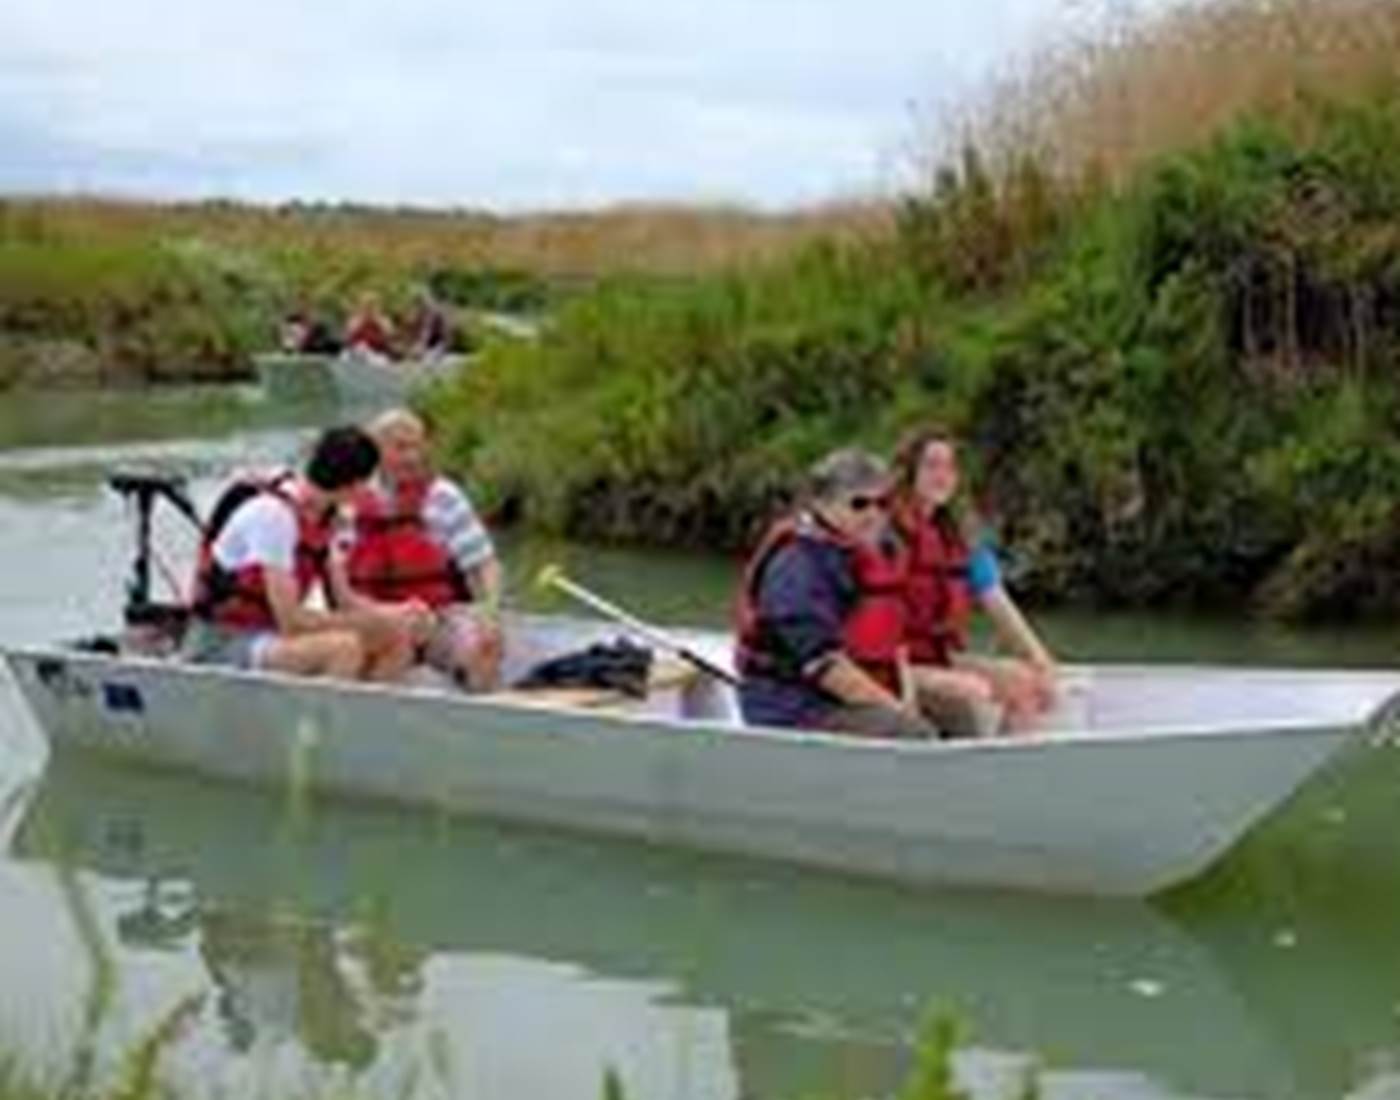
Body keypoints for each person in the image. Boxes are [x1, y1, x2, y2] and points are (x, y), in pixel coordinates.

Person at [182, 425, 431, 680]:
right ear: (354, 485)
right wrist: (367, 624)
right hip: (224, 641)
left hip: (272, 636)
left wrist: (400, 614)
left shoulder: (325, 518)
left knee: (396, 639)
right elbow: (290, 621)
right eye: (369, 482)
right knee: (343, 648)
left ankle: (363, 716)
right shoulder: (273, 516)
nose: (370, 491)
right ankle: (325, 719)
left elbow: (346, 601)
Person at [734, 448, 939, 740]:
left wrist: (908, 699)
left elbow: (895, 644)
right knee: (913, 733)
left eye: (882, 504)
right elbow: (825, 668)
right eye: (859, 504)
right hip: (794, 706)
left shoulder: (867, 553)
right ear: (821, 503)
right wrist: (897, 710)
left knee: (965, 710)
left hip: (850, 695)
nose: (874, 514)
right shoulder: (797, 567)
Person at [891, 427, 1058, 735]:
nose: (942, 475)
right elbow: (881, 618)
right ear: (908, 471)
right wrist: (905, 694)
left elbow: (997, 601)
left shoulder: (958, 538)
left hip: (938, 657)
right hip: (890, 665)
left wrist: (1042, 662)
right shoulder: (885, 534)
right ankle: (972, 773)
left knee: (1024, 684)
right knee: (973, 692)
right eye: (931, 465)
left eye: (950, 467)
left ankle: (1013, 771)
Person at [346, 409, 504, 690]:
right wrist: (390, 615)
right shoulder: (348, 499)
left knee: (482, 644)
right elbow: (330, 583)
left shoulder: (444, 496)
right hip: (370, 614)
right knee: (389, 639)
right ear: (374, 449)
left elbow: (484, 564)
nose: (412, 457)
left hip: (437, 614)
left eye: (417, 446)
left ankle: (480, 713)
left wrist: (489, 614)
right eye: (400, 447)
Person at [343, 292, 396, 363]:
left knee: (380, 361)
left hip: (377, 353)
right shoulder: (356, 319)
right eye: (367, 305)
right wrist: (363, 319)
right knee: (346, 356)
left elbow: (389, 334)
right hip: (356, 351)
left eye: (373, 305)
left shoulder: (383, 320)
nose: (370, 308)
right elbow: (348, 335)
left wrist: (376, 319)